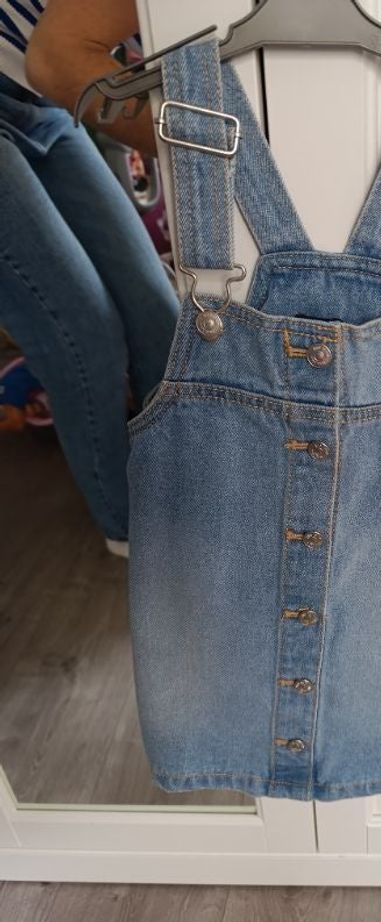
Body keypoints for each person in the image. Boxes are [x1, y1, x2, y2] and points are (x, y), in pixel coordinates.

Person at [0, 0, 179, 557]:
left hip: (39, 97)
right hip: (47, 70)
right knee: (84, 336)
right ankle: (132, 537)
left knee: (161, 317)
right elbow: (58, 57)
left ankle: (185, 499)